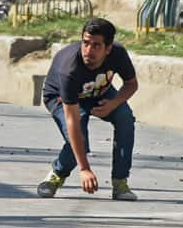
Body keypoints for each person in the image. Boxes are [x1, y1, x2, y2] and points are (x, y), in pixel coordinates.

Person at [36, 19, 138, 201]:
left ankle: (120, 182)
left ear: (108, 48)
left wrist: (114, 103)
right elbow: (72, 121)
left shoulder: (118, 54)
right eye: (85, 43)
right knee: (79, 139)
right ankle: (57, 174)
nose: (88, 50)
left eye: (96, 45)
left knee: (125, 118)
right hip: (61, 97)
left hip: (99, 92)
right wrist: (84, 169)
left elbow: (131, 84)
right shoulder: (70, 69)